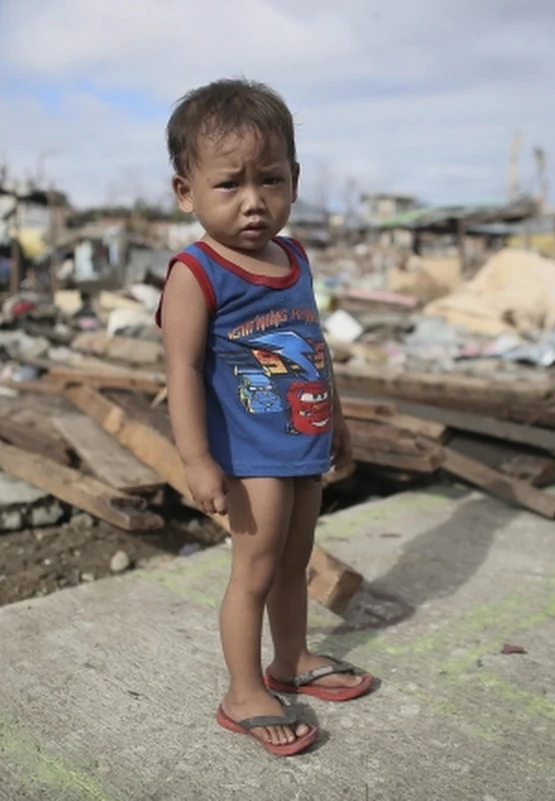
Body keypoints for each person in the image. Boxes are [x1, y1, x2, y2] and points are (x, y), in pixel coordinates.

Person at [156, 78, 375, 757]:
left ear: (294, 180)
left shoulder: (295, 257)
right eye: (229, 184)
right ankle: (243, 690)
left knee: (295, 561)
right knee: (253, 570)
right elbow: (182, 370)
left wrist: (337, 419)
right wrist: (196, 459)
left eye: (270, 180)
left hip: (303, 445)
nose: (253, 200)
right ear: (186, 191)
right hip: (250, 458)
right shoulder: (196, 272)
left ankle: (291, 659)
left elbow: (314, 346)